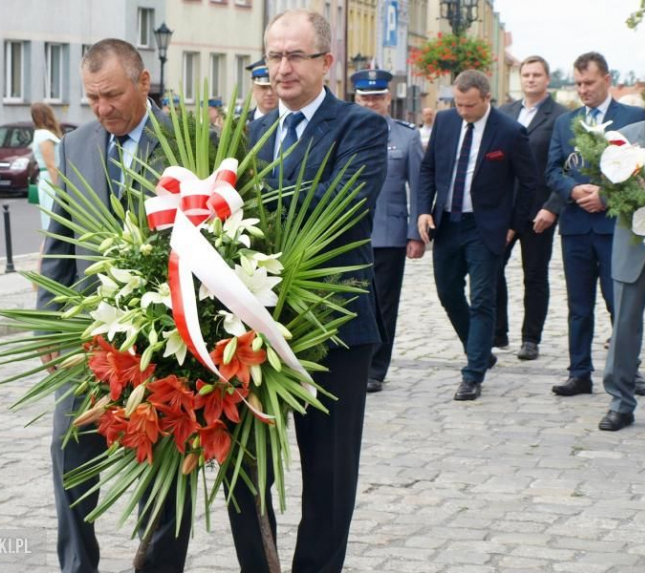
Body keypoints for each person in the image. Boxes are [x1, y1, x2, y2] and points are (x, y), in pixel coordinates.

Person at [242, 10, 387, 572]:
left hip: (335, 328)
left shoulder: (361, 127)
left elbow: (341, 204)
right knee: (246, 473)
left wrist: (244, 199)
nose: (282, 68)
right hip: (248, 329)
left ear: (326, 62)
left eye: (294, 56)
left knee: (328, 476)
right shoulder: (248, 134)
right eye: (273, 56)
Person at [37, 39, 186, 573]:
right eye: (93, 98)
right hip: (89, 342)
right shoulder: (76, 148)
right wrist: (49, 330)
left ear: (144, 82)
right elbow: (59, 244)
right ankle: (78, 565)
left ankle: (158, 566)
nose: (103, 109)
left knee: (166, 469)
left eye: (113, 95)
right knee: (68, 449)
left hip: (168, 342)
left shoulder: (187, 142)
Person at [416, 70, 537, 402]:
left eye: (469, 105)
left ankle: (473, 374)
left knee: (483, 299)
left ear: (486, 98)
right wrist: (424, 210)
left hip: (486, 227)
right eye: (458, 104)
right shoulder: (444, 122)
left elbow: (529, 182)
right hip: (447, 223)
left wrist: (514, 224)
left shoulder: (510, 132)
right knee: (447, 292)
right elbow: (428, 169)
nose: (463, 111)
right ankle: (480, 350)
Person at [546, 52, 645, 401]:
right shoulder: (566, 121)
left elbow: (640, 171)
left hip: (614, 227)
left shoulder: (632, 117)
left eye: (589, 82)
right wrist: (572, 189)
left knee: (621, 304)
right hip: (575, 225)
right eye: (577, 84)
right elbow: (553, 169)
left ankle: (628, 371)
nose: (583, 89)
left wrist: (606, 194)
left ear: (606, 78)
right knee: (578, 305)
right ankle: (579, 373)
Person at [350, 68, 424, 393]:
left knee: (384, 304)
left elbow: (419, 188)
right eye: (365, 98)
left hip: (389, 233)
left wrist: (415, 232)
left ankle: (376, 369)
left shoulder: (406, 136)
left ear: (388, 99)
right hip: (349, 231)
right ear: (356, 99)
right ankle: (352, 362)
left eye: (377, 98)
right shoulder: (344, 133)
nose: (371, 104)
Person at [494, 56, 568, 359]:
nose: (531, 79)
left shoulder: (562, 117)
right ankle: (497, 332)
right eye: (526, 74)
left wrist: (553, 206)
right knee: (492, 269)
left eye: (537, 74)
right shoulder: (505, 112)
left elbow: (566, 166)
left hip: (539, 210)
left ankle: (531, 338)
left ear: (547, 79)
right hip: (505, 210)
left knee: (534, 274)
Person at [600, 118, 645, 431]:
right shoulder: (627, 137)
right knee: (624, 326)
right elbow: (606, 193)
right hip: (633, 244)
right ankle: (620, 403)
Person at [30, 102, 62, 232]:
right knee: (53, 227)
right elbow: (51, 165)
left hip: (46, 180)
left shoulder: (39, 133)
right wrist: (60, 190)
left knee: (50, 226)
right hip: (50, 182)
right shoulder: (44, 135)